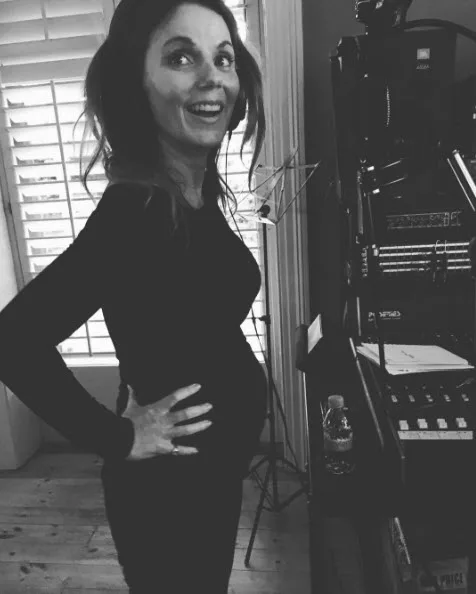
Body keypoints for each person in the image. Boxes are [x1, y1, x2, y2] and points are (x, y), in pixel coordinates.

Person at [0, 0, 268, 591]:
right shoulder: (136, 209)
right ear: (135, 82)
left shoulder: (193, 188)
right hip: (169, 494)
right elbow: (13, 339)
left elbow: (172, 319)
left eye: (224, 58)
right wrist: (119, 436)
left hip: (209, 477)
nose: (213, 78)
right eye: (182, 57)